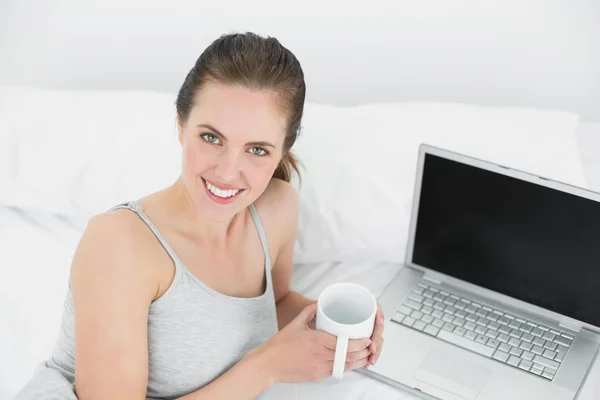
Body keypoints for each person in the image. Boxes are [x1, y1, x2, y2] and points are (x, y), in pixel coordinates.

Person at [14, 32, 385, 400]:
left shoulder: (277, 207)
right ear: (181, 126)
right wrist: (268, 365)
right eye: (211, 138)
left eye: (257, 149)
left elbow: (273, 303)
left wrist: (337, 326)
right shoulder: (120, 245)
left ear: (282, 150)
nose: (227, 171)